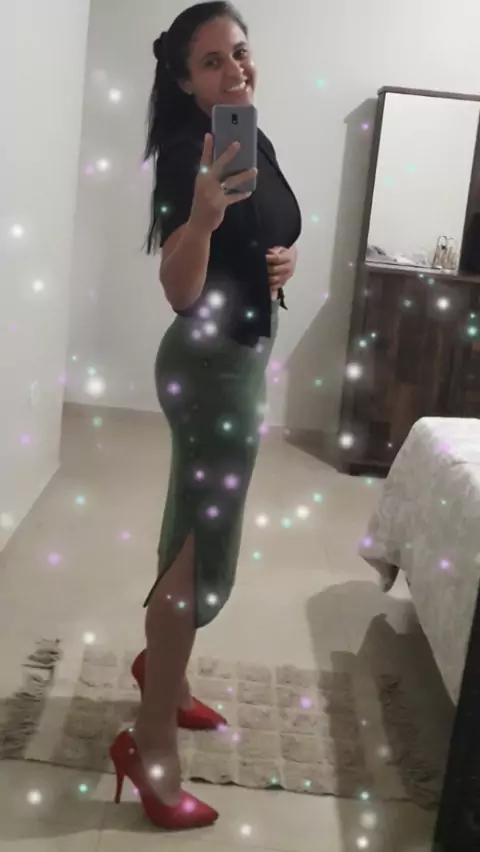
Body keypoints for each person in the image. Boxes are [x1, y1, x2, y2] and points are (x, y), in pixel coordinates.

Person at [110, 0, 301, 830]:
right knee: (202, 554)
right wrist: (202, 219)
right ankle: (149, 746)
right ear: (186, 81)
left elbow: (260, 243)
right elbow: (180, 289)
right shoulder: (191, 156)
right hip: (211, 367)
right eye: (213, 62)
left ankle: (166, 676)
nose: (235, 70)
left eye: (240, 52)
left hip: (238, 359)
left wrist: (278, 263)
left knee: (188, 528)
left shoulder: (248, 137)